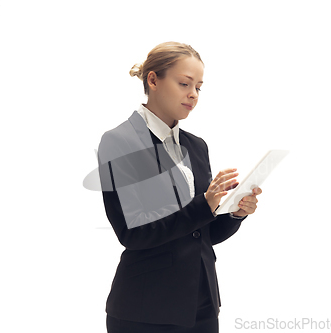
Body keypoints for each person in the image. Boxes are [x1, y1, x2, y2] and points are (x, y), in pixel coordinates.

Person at [97, 41, 263, 333]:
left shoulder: (196, 146)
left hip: (201, 306)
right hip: (145, 311)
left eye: (199, 87)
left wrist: (233, 212)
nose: (193, 95)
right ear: (153, 80)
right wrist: (204, 205)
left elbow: (201, 234)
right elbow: (132, 233)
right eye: (185, 83)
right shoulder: (120, 142)